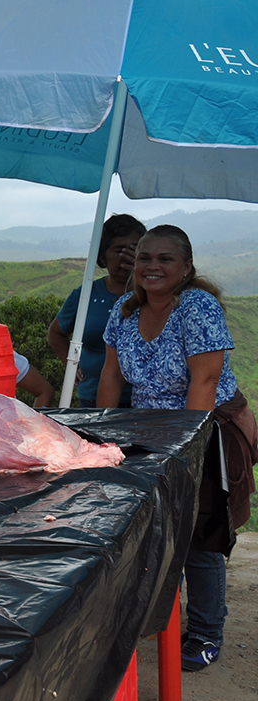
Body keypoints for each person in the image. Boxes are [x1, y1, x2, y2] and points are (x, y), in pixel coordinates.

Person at [98, 224, 257, 672]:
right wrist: (105, 438)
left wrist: (185, 454)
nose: (152, 266)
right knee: (152, 529)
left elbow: (204, 382)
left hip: (205, 428)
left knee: (197, 536)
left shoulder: (198, 309)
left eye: (165, 259)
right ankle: (157, 618)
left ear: (186, 267)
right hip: (146, 431)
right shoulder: (124, 311)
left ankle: (206, 631)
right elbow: (111, 376)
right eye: (145, 257)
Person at [48, 214, 146, 407]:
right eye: (118, 250)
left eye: (134, 250)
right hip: (93, 395)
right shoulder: (85, 295)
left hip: (143, 399)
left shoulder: (153, 296)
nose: (125, 257)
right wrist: (71, 364)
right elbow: (56, 333)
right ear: (102, 255)